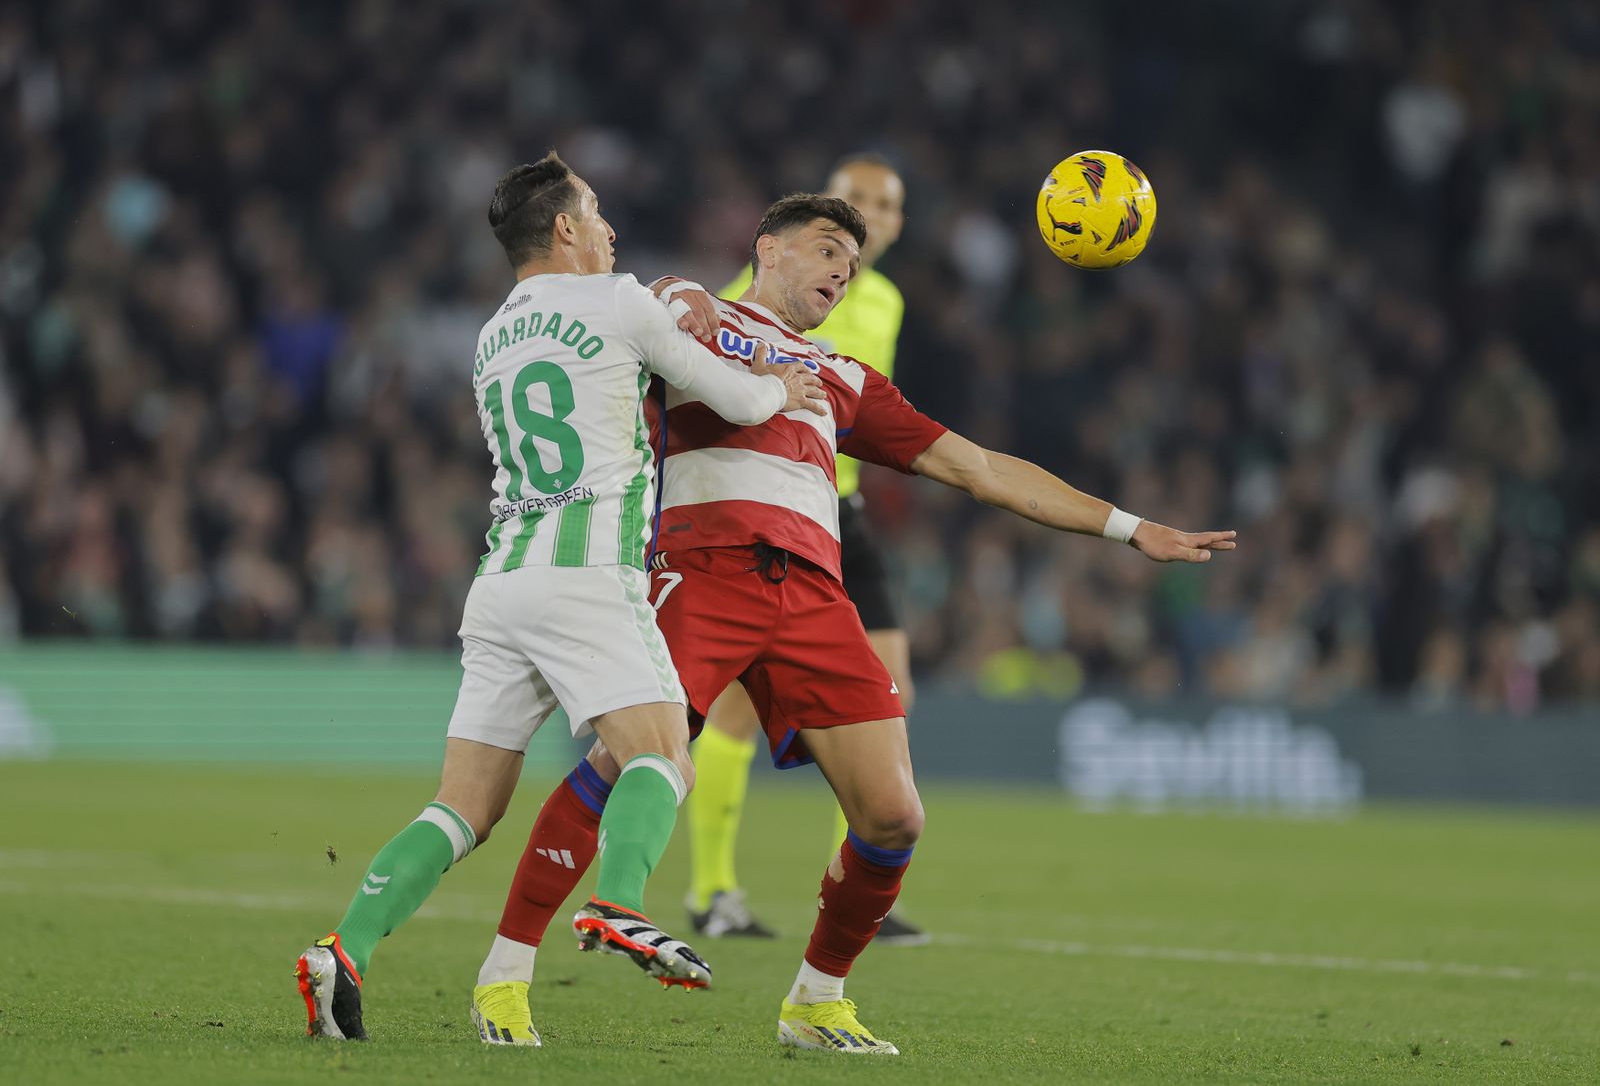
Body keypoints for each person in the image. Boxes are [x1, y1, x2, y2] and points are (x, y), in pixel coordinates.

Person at [473, 192, 1237, 1055]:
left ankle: (816, 1001)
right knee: (624, 764)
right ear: (767, 247)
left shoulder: (843, 377)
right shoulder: (692, 306)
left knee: (893, 815)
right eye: (828, 247)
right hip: (704, 571)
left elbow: (979, 467)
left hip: (815, 597)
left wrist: (1132, 527)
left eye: (854, 262)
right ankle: (504, 976)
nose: (844, 270)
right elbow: (615, 355)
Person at [294, 152, 827, 1045]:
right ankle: (618, 900)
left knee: (463, 806)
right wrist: (787, 386)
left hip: (503, 579)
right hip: (588, 574)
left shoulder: (491, 333)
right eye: (599, 213)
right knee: (663, 753)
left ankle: (342, 948)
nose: (612, 230)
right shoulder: (619, 297)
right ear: (567, 228)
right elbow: (732, 395)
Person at [689, 153, 927, 943]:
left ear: (894, 224)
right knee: (732, 714)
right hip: (761, 515)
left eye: (882, 205)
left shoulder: (884, 299)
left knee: (891, 693)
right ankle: (712, 889)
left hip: (842, 512)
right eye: (853, 199)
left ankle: (857, 883)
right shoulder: (743, 301)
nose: (869, 211)